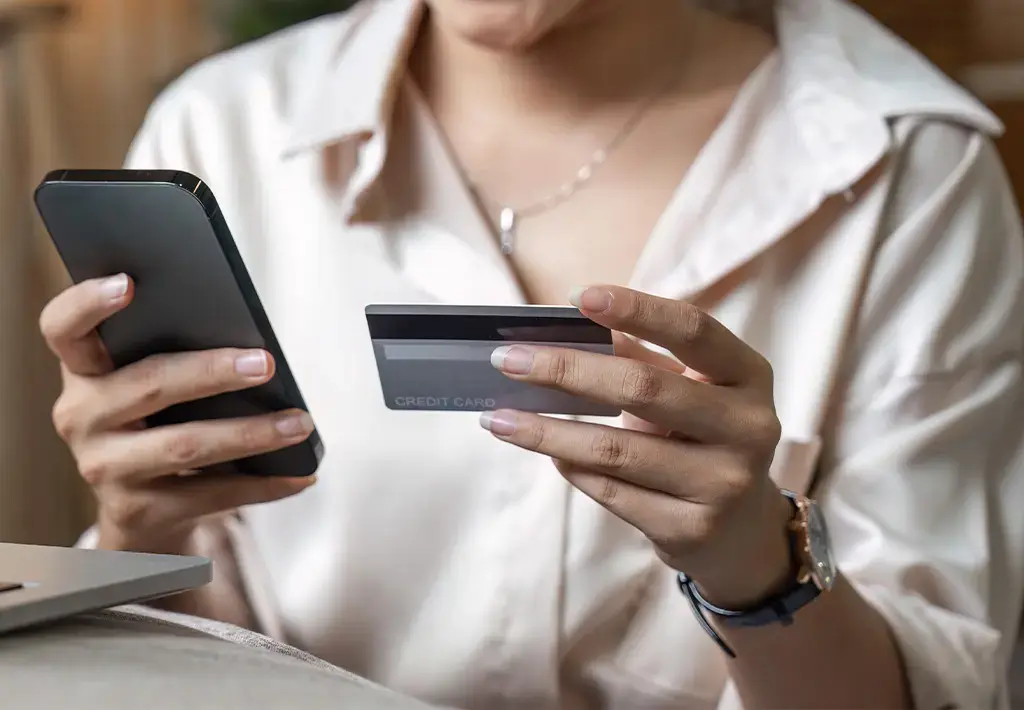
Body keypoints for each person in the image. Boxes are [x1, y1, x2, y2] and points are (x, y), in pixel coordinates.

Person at [36, 0, 1024, 707]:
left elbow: (934, 684)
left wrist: (758, 571)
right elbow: (213, 641)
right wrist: (140, 531)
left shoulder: (905, 163)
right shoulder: (224, 126)